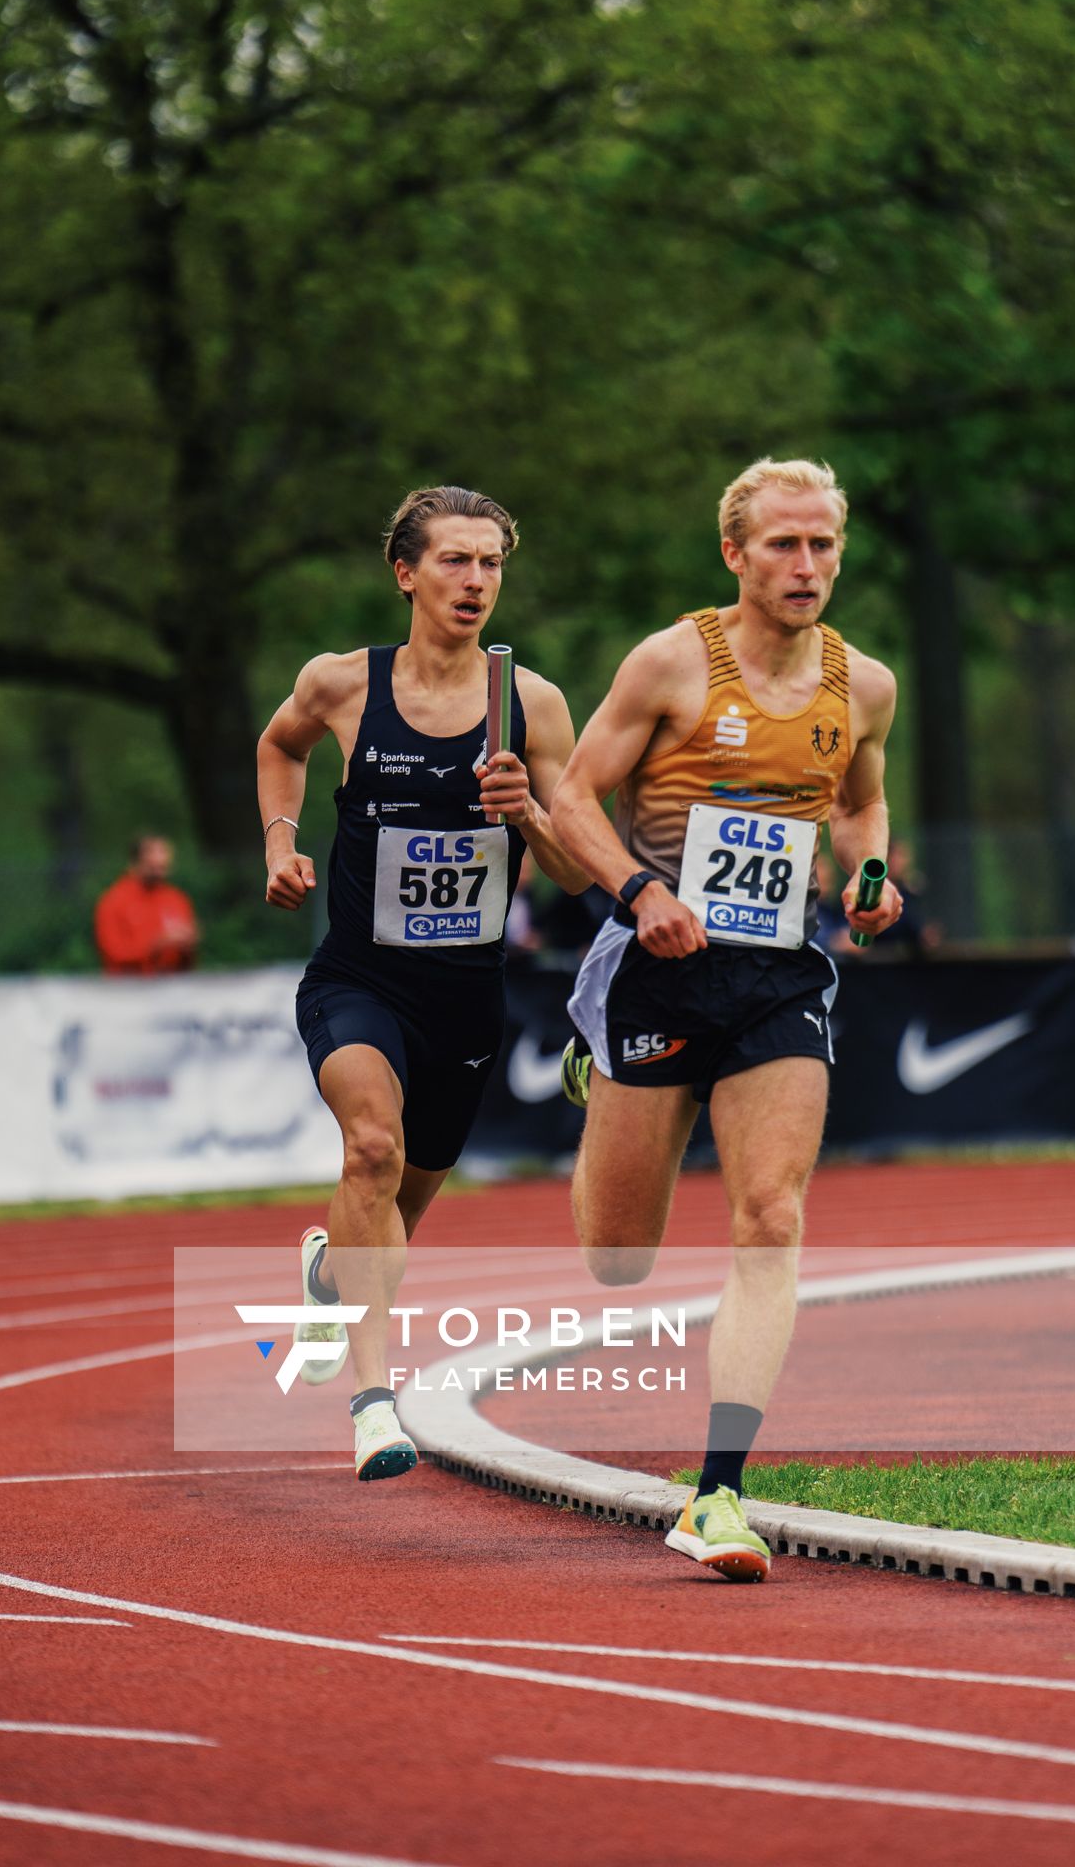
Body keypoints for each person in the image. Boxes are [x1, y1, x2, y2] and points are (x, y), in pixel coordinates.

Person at [551, 457, 902, 1581]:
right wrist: (638, 894)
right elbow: (570, 795)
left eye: (821, 544)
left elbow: (859, 804)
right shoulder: (669, 663)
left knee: (771, 1215)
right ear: (734, 555)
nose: (805, 564)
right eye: (782, 544)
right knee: (618, 1260)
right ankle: (595, 1069)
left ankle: (716, 1495)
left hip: (778, 976)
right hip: (656, 969)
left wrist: (872, 876)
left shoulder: (865, 685)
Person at [258, 485, 590, 1481]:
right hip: (358, 980)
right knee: (371, 1149)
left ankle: (328, 1274)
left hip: (465, 1000)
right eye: (454, 560)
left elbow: (578, 871)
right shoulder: (340, 685)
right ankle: (373, 1404)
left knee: (393, 1217)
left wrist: (527, 814)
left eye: (490, 563)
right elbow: (279, 745)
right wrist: (279, 840)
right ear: (405, 573)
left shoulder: (532, 705)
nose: (475, 580)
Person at [94, 835, 199, 974]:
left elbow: (188, 962)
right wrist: (158, 944)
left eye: (162, 866)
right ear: (135, 862)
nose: (159, 864)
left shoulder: (177, 899)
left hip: (172, 982)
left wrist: (187, 945)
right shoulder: (114, 901)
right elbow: (114, 954)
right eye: (152, 864)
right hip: (130, 984)